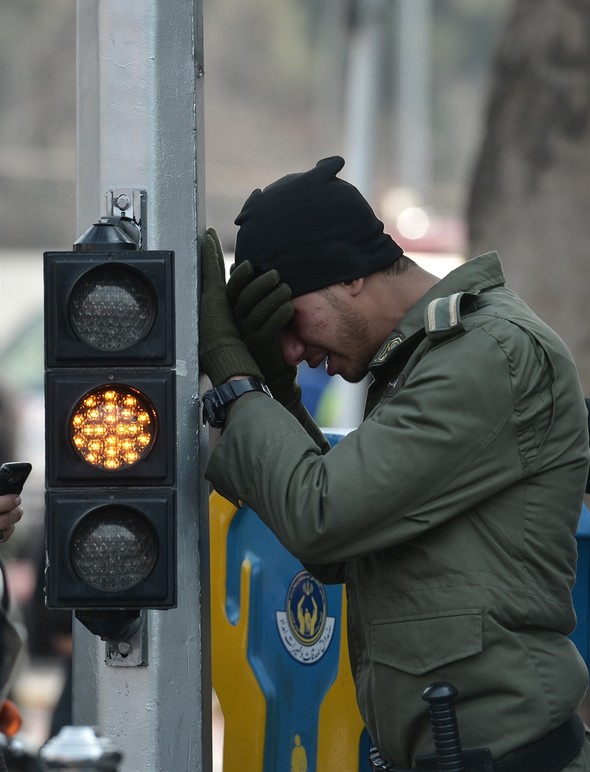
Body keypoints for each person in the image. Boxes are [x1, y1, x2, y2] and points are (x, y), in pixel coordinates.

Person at [199, 156, 590, 771]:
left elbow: (321, 516)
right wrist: (275, 389)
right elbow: (337, 547)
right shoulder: (423, 361)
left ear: (349, 275)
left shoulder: (488, 353)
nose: (295, 351)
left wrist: (235, 372)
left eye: (292, 321)